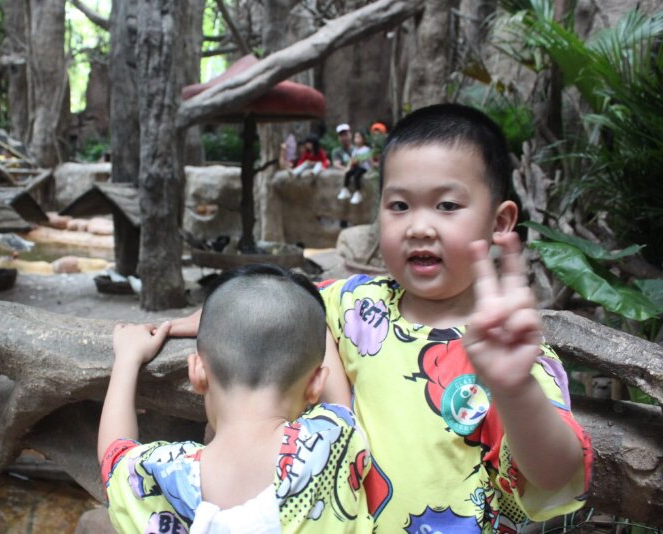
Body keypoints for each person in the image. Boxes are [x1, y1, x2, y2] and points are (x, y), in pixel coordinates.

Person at [318, 103, 592, 532]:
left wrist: (515, 389)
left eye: (446, 205)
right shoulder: (357, 305)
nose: (418, 227)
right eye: (399, 205)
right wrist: (339, 414)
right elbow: (291, 304)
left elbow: (556, 476)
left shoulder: (506, 352)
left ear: (500, 222)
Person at [99, 264, 373, 533]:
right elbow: (337, 403)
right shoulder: (333, 440)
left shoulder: (168, 475)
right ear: (315, 384)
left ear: (198, 372)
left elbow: (114, 456)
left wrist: (127, 357)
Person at [337, 130, 373, 205]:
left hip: (364, 167)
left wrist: (371, 167)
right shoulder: (355, 149)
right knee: (348, 174)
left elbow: (369, 159)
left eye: (358, 137)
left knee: (356, 176)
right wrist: (348, 168)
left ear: (363, 139)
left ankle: (358, 192)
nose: (356, 139)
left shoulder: (366, 149)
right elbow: (352, 160)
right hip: (356, 167)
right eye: (356, 137)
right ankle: (345, 189)